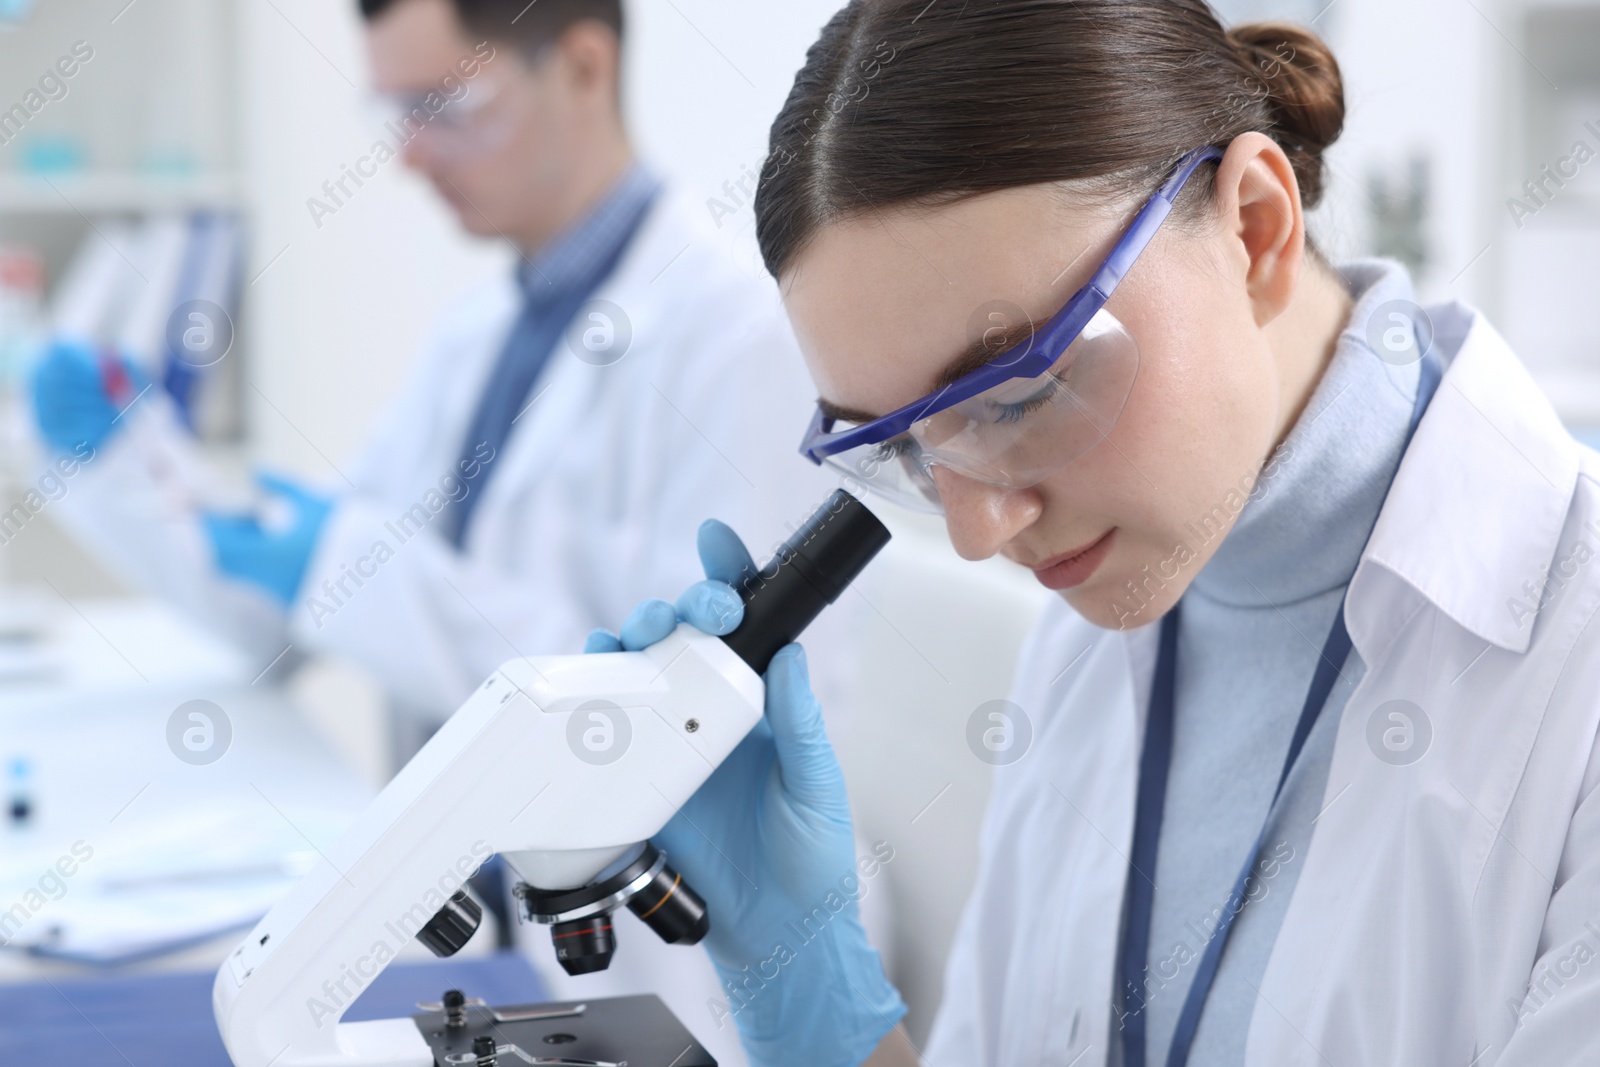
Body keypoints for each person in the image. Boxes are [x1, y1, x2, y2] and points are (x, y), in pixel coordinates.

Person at [598, 1, 1600, 1064]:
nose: (983, 531)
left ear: (1255, 228)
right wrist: (804, 978)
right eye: (906, 447)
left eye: (1020, 392)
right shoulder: (1101, 617)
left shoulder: (1568, 668)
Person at [28, 2, 855, 1062]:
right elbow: (276, 624)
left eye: (444, 107)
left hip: (640, 970)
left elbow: (671, 716)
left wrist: (343, 562)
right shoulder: (477, 335)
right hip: (463, 939)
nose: (410, 156)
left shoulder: (739, 338)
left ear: (584, 67)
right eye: (394, 111)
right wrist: (129, 463)